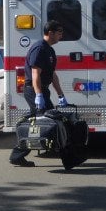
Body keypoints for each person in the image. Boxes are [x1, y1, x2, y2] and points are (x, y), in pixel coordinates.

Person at [9, 20, 67, 167]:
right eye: (59, 31)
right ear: (51, 33)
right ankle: (18, 154)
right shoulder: (39, 48)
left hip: (42, 89)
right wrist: (38, 95)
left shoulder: (50, 50)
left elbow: (52, 75)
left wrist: (60, 95)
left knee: (43, 119)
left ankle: (19, 154)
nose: (61, 34)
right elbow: (36, 73)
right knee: (43, 120)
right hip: (33, 89)